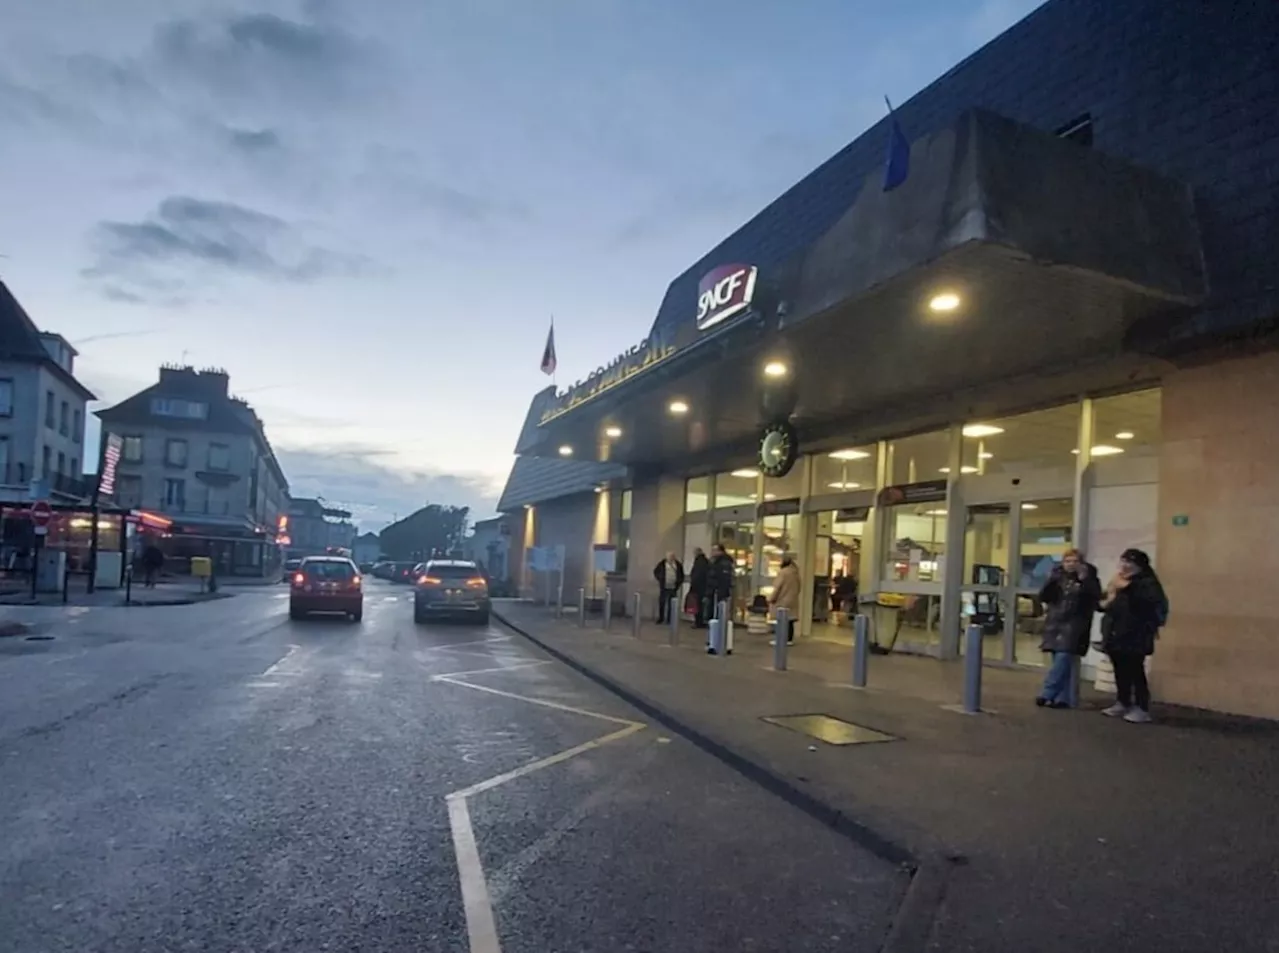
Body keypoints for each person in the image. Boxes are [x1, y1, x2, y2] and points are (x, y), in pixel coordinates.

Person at [1099, 547, 1167, 723]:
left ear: (1140, 566)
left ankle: (1142, 708)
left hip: (1136, 635)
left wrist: (1126, 589)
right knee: (1120, 671)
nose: (1125, 566)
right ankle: (1122, 702)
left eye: (1130, 563)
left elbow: (1149, 607)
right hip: (1116, 634)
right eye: (1123, 561)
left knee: (1136, 671)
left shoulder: (1146, 584)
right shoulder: (1117, 582)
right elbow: (1105, 604)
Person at [1035, 548, 1101, 708]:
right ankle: (1063, 699)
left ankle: (1047, 693)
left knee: (1063, 658)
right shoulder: (1058, 577)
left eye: (1075, 561)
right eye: (1067, 561)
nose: (1071, 565)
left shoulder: (1089, 579)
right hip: (1055, 623)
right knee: (1061, 662)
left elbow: (1094, 598)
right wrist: (1051, 580)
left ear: (1081, 563)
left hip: (1075, 624)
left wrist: (1083, 581)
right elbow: (1044, 596)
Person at [770, 554, 801, 644]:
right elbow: (799, 587)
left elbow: (777, 587)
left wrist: (772, 598)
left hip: (782, 599)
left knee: (781, 619)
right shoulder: (796, 573)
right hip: (793, 599)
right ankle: (789, 639)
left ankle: (780, 639)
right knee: (790, 621)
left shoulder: (783, 573)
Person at [652, 551, 685, 625]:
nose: (671, 558)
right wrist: (660, 579)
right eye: (669, 557)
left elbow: (681, 575)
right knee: (662, 602)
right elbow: (656, 571)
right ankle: (661, 618)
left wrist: (678, 583)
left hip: (673, 587)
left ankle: (669, 619)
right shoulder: (662, 564)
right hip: (664, 586)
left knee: (671, 603)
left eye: (672, 556)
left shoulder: (678, 565)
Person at [707, 544, 735, 623]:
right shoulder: (715, 561)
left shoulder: (724, 562)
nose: (712, 552)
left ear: (720, 551)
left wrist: (719, 588)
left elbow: (724, 577)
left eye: (714, 550)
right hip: (714, 589)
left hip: (719, 590)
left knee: (720, 608)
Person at [688, 547, 710, 628]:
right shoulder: (705, 561)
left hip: (698, 587)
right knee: (700, 605)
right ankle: (700, 621)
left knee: (697, 605)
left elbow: (697, 575)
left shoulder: (699, 562)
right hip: (702, 587)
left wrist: (693, 586)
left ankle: (698, 622)